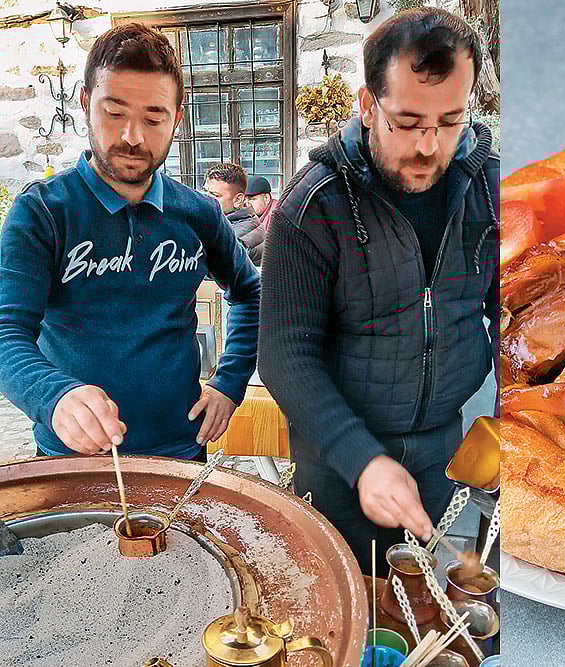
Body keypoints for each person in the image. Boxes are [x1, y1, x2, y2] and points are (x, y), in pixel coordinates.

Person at [257, 7, 499, 577]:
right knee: (342, 607)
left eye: (450, 121)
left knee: (420, 604)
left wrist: (515, 419)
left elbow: (511, 311)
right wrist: (362, 461)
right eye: (408, 121)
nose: (429, 147)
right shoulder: (311, 206)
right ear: (368, 106)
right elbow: (285, 354)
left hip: (444, 449)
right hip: (335, 458)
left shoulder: (491, 187)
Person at [0, 23, 260, 461]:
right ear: (85, 103)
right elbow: (7, 331)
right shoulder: (43, 211)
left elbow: (250, 293)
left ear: (177, 120)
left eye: (154, 117)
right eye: (114, 112)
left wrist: (230, 384)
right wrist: (54, 396)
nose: (132, 137)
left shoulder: (198, 213)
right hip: (73, 459)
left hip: (182, 450)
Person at [204, 163, 265, 266]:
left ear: (237, 200)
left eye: (215, 195)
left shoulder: (237, 238)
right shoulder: (227, 222)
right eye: (205, 191)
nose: (206, 199)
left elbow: (206, 274)